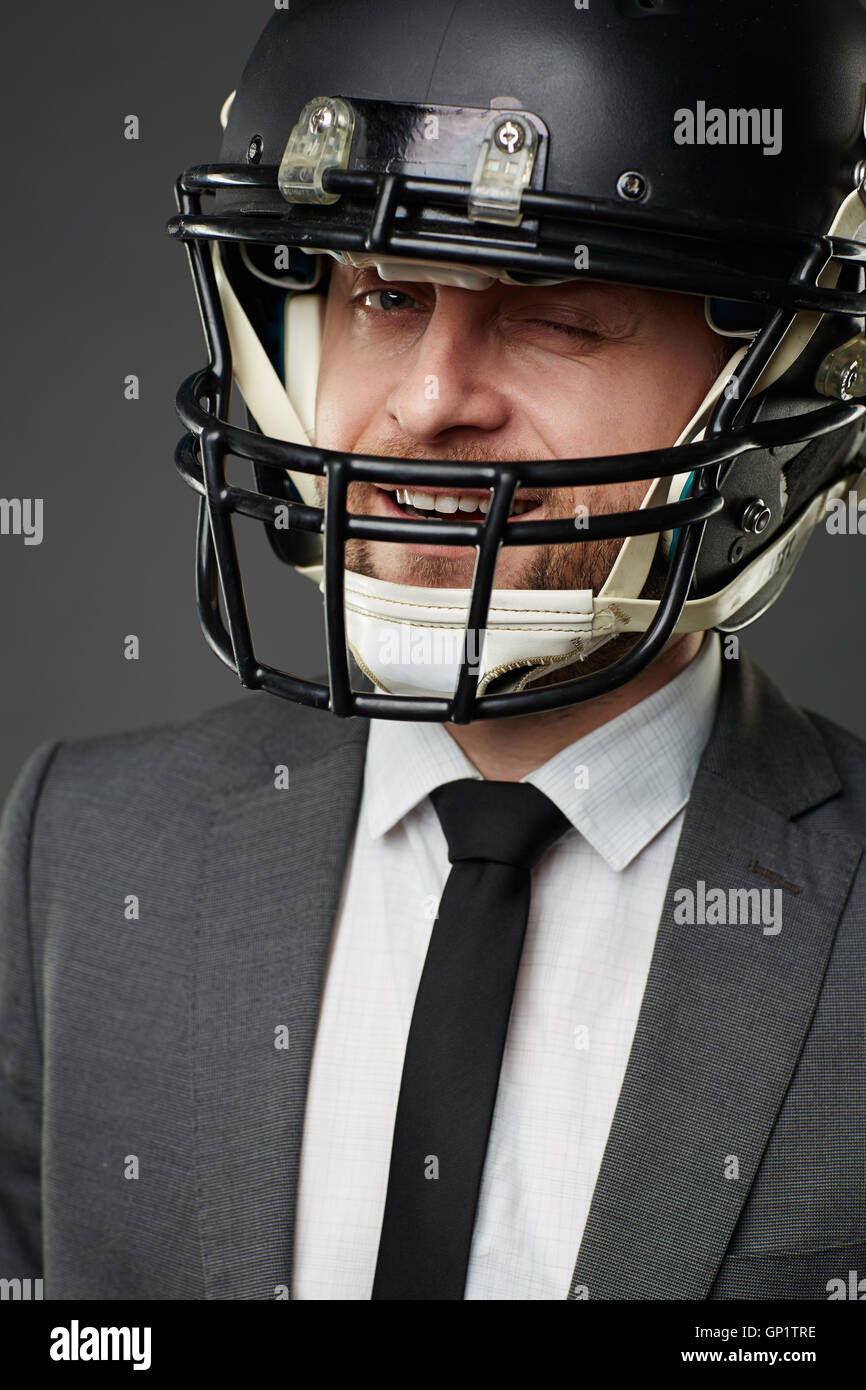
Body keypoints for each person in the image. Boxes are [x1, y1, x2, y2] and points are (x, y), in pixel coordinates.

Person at [1, 0, 865, 1301]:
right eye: (386, 295)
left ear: (793, 375)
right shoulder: (81, 847)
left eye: (554, 311)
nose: (425, 399)